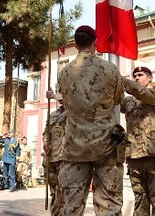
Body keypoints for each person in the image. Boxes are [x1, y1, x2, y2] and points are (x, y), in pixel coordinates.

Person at [46, 25, 125, 215]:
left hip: (75, 147)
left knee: (71, 205)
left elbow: (66, 101)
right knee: (108, 203)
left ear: (75, 44)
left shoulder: (63, 73)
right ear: (95, 43)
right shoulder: (110, 69)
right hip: (106, 145)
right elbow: (118, 99)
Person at [121, 66, 155, 216]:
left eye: (140, 75)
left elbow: (142, 93)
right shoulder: (129, 101)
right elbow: (114, 99)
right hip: (134, 158)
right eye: (135, 75)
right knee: (140, 204)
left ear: (150, 78)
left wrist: (122, 80)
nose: (136, 78)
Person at [42, 93, 66, 215]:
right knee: (54, 193)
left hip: (66, 159)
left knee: (65, 194)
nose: (60, 101)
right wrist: (45, 142)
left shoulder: (75, 114)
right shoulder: (53, 115)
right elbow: (46, 132)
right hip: (51, 159)